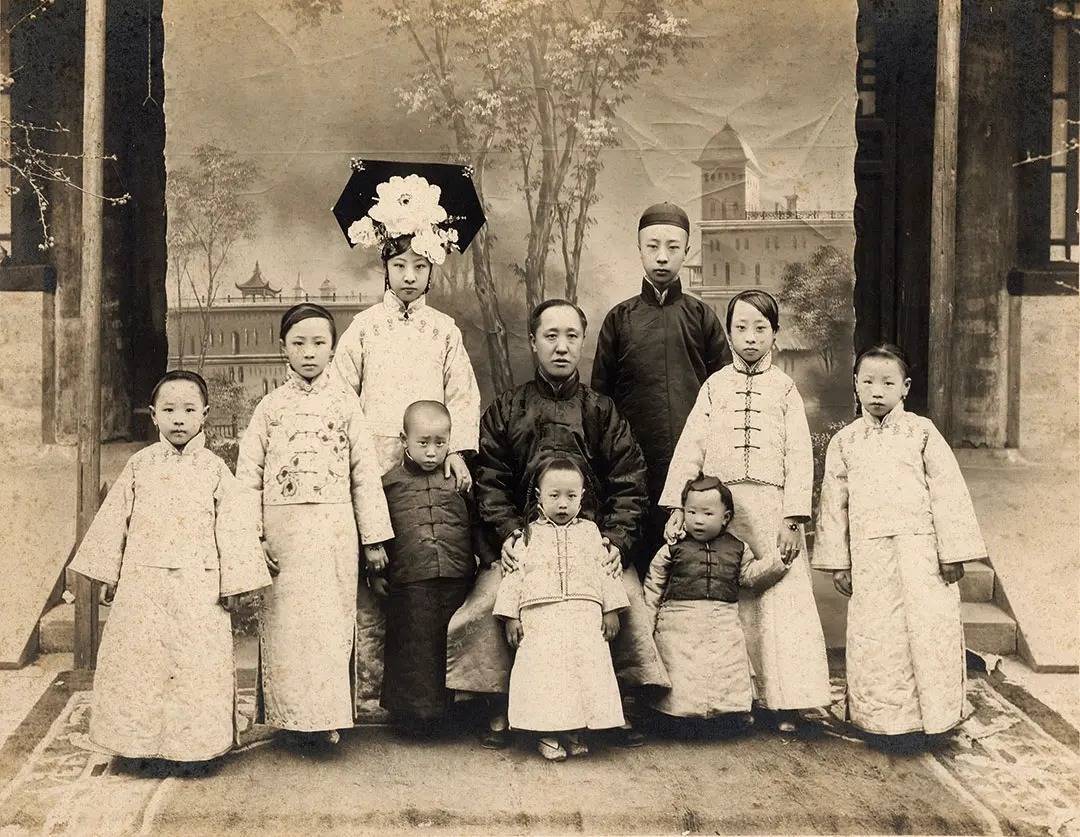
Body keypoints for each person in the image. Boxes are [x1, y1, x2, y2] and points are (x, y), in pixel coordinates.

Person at [458, 298, 669, 749]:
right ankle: (500, 700)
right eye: (550, 336)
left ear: (583, 342)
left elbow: (630, 479)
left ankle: (620, 700)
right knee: (489, 602)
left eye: (571, 336)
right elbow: (489, 479)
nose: (561, 346)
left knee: (628, 600)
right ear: (533, 342)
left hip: (592, 542)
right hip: (524, 543)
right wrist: (509, 534)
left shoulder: (602, 411)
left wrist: (615, 541)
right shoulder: (507, 408)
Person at [332, 170, 483, 711]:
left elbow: (462, 395)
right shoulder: (364, 328)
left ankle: (436, 690)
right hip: (376, 462)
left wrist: (457, 453)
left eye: (420, 266)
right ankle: (367, 688)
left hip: (432, 457)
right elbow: (342, 392)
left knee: (426, 573)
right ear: (385, 267)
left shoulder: (444, 330)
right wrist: (352, 457)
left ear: (433, 269)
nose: (410, 276)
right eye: (400, 266)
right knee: (376, 572)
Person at [68, 370, 271, 762]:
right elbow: (115, 520)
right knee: (140, 661)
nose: (179, 419)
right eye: (169, 410)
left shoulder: (214, 469)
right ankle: (137, 747)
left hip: (199, 584)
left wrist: (234, 584)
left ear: (205, 414)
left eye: (189, 410)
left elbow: (234, 527)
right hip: (143, 583)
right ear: (153, 414)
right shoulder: (139, 465)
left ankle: (195, 750)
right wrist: (111, 573)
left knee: (195, 664)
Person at [660, 289, 830, 732]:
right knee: (730, 598)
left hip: (773, 510)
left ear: (775, 334)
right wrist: (678, 506)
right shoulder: (714, 387)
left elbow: (798, 455)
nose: (750, 338)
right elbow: (691, 447)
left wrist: (793, 518)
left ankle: (786, 700)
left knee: (780, 599)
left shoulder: (785, 389)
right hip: (724, 510)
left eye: (760, 328)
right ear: (729, 333)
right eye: (741, 328)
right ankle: (737, 697)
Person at [236, 303, 393, 745]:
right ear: (282, 347)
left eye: (319, 343)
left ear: (333, 348)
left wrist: (373, 540)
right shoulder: (269, 408)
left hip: (333, 530)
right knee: (287, 625)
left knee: (329, 624)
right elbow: (248, 477)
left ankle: (326, 719)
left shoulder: (345, 405)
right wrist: (254, 536)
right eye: (299, 343)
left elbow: (364, 474)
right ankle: (288, 718)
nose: (309, 352)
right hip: (282, 534)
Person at [812, 343, 985, 738]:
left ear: (905, 387)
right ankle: (880, 721)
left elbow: (948, 492)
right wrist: (839, 562)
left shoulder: (922, 433)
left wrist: (952, 553)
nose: (877, 392)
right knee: (878, 633)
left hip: (920, 552)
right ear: (855, 384)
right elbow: (834, 504)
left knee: (927, 629)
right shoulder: (846, 442)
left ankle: (935, 718)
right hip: (870, 554)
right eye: (868, 382)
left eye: (888, 383)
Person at [592, 202, 730, 576]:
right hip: (632, 463)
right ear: (639, 249)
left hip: (693, 461)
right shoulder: (620, 319)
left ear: (687, 251)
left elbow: (724, 393)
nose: (662, 257)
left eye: (673, 247)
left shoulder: (702, 317)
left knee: (691, 561)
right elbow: (600, 400)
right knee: (637, 561)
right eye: (652, 246)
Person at [493, 458, 629, 761]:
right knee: (546, 673)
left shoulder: (591, 532)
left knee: (581, 671)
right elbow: (513, 574)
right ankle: (546, 732)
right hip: (541, 617)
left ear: (582, 497)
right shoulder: (526, 535)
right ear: (539, 496)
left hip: (583, 615)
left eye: (571, 495)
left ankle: (574, 729)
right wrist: (510, 616)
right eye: (554, 495)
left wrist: (611, 609)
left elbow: (606, 570)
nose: (563, 504)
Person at [378, 400, 496, 736]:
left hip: (456, 576)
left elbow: (474, 523)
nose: (432, 452)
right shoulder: (388, 484)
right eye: (423, 443)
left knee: (451, 643)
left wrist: (488, 559)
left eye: (440, 443)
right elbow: (376, 533)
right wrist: (375, 574)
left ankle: (455, 716)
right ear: (405, 440)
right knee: (414, 647)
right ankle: (413, 718)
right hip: (410, 579)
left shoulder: (458, 481)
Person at [644, 476, 788, 731]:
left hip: (722, 620)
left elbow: (749, 576)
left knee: (725, 667)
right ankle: (676, 719)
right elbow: (654, 584)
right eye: (691, 512)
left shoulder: (738, 548)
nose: (698, 520)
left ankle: (726, 716)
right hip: (679, 622)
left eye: (708, 513)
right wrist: (649, 621)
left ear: (725, 517)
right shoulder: (673, 548)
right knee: (682, 670)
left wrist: (779, 561)